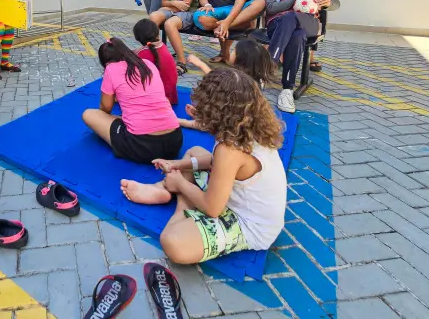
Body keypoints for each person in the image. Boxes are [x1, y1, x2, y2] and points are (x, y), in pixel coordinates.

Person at [120, 68, 287, 265]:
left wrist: (181, 184)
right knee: (194, 153)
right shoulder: (247, 127)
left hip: (249, 225)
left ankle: (181, 206)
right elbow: (216, 162)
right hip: (233, 196)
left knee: (172, 242)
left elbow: (212, 208)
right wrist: (179, 164)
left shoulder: (229, 149)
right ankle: (164, 188)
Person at [82, 38, 182, 164]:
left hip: (143, 146)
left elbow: (105, 108)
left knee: (89, 114)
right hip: (175, 141)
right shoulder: (147, 63)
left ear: (105, 62)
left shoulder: (111, 69)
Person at [262, 0, 336, 113]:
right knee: (297, 34)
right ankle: (287, 89)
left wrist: (328, 2)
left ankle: (266, 68)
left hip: (309, 22)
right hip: (278, 24)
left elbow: (335, 2)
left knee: (294, 21)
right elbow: (271, 8)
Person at [186, 38, 274, 90]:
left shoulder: (236, 78)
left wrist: (200, 63)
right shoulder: (257, 79)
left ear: (240, 57)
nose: (231, 52)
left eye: (233, 50)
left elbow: (215, 78)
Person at [133, 19, 178, 105]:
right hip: (171, 94)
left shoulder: (141, 55)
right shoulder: (162, 46)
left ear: (138, 38)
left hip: (157, 97)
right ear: (157, 33)